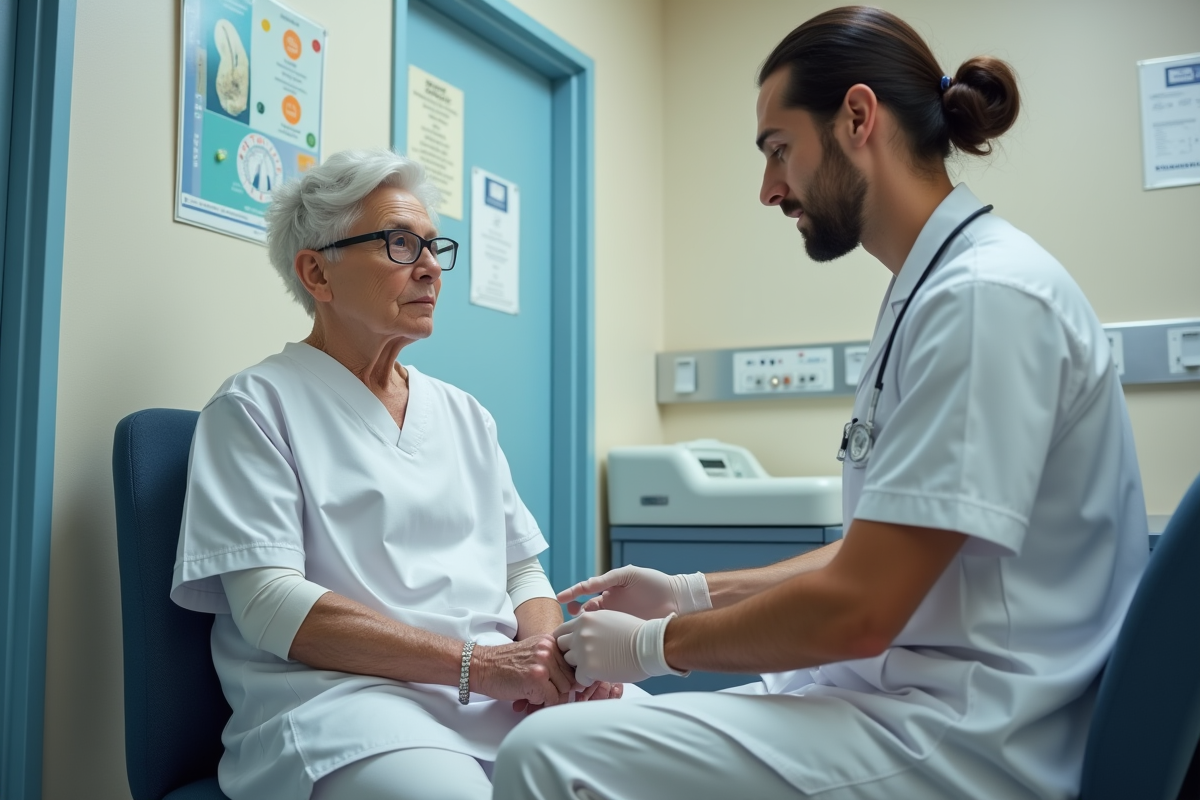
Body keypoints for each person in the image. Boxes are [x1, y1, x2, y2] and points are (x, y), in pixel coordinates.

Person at [492, 7, 1148, 799]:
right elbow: (876, 554)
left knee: (549, 753)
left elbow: (863, 606)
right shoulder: (938, 290)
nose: (770, 188)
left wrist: (654, 643)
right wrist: (689, 593)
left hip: (973, 737)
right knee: (602, 723)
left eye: (778, 150)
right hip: (903, 694)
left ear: (858, 118)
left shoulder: (985, 300)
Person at [170, 149, 619, 800]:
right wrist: (478, 666)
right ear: (317, 273)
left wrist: (552, 663)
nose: (432, 267)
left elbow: (521, 572)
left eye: (434, 246)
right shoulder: (253, 408)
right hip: (349, 705)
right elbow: (269, 605)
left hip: (497, 689)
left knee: (662, 756)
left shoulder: (464, 414)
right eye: (401, 244)